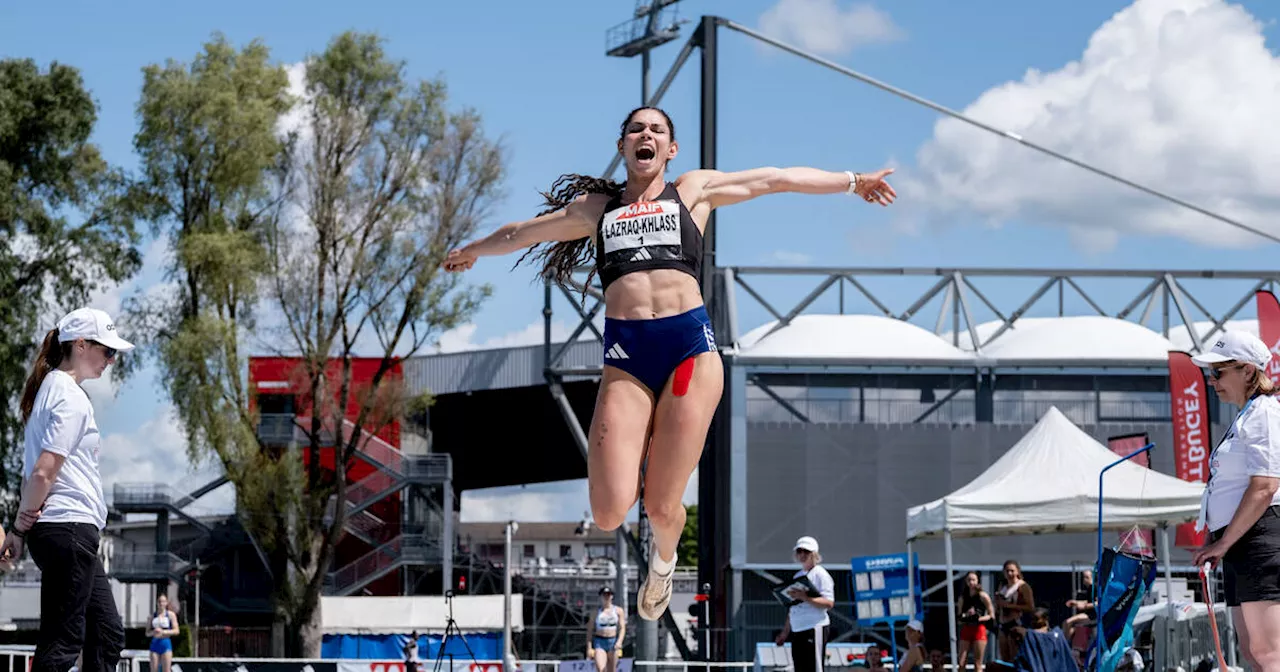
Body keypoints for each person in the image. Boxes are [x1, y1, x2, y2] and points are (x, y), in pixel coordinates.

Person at [443, 106, 896, 619]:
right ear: (623, 147)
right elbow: (523, 231)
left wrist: (853, 181)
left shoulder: (693, 191)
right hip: (627, 359)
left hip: (689, 353)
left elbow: (775, 179)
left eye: (657, 130)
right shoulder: (598, 208)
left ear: (671, 150)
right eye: (637, 129)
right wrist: (474, 250)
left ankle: (662, 565)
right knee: (610, 510)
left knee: (661, 506)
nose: (646, 135)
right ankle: (655, 545)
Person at [0, 307, 133, 672]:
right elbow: (43, 473)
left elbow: (31, 475)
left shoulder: (47, 391)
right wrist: (18, 530)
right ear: (79, 344)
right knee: (63, 642)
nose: (111, 360)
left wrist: (20, 531)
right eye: (107, 350)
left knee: (106, 633)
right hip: (69, 527)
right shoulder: (70, 397)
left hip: (63, 530)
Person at [1189, 331, 1280, 672]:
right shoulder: (1247, 415)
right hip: (1244, 540)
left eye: (1218, 372)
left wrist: (1224, 542)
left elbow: (1265, 486)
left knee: (1269, 652)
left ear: (1247, 371)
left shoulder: (1264, 413)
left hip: (1260, 536)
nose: (1212, 382)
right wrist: (1218, 540)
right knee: (1253, 650)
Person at [774, 536, 836, 672]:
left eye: (806, 552)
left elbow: (829, 603)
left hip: (814, 627)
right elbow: (792, 607)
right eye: (799, 551)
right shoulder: (798, 576)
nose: (802, 555)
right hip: (798, 628)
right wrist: (784, 633)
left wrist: (806, 597)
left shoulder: (820, 574)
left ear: (814, 553)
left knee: (814, 668)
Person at [993, 559, 1034, 662]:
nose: (1010, 574)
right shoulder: (1003, 586)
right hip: (1003, 624)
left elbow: (1030, 607)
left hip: (1016, 624)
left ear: (1017, 571)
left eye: (1012, 571)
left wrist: (1009, 606)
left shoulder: (1023, 587)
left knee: (1014, 657)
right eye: (1007, 571)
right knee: (1004, 657)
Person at [956, 571, 993, 672]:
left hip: (979, 629)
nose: (971, 582)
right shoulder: (963, 598)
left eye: (973, 580)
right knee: (962, 662)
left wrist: (978, 618)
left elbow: (991, 615)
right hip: (967, 628)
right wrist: (966, 617)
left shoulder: (983, 596)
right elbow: (959, 617)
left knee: (978, 663)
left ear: (977, 581)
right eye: (969, 580)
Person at [586, 587, 626, 672]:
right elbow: (589, 631)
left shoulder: (618, 611)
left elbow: (622, 628)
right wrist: (589, 648)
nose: (606, 597)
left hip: (613, 641)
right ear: (600, 597)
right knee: (601, 669)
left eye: (608, 595)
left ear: (612, 596)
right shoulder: (595, 612)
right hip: (600, 641)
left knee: (612, 670)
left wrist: (619, 641)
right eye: (604, 595)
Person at [149, 593, 180, 672]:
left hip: (165, 644)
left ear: (166, 603)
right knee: (154, 669)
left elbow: (176, 631)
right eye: (159, 601)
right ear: (157, 603)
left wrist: (164, 632)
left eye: (163, 601)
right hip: (155, 644)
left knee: (166, 670)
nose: (161, 604)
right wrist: (153, 632)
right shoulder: (152, 616)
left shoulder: (170, 615)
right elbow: (147, 632)